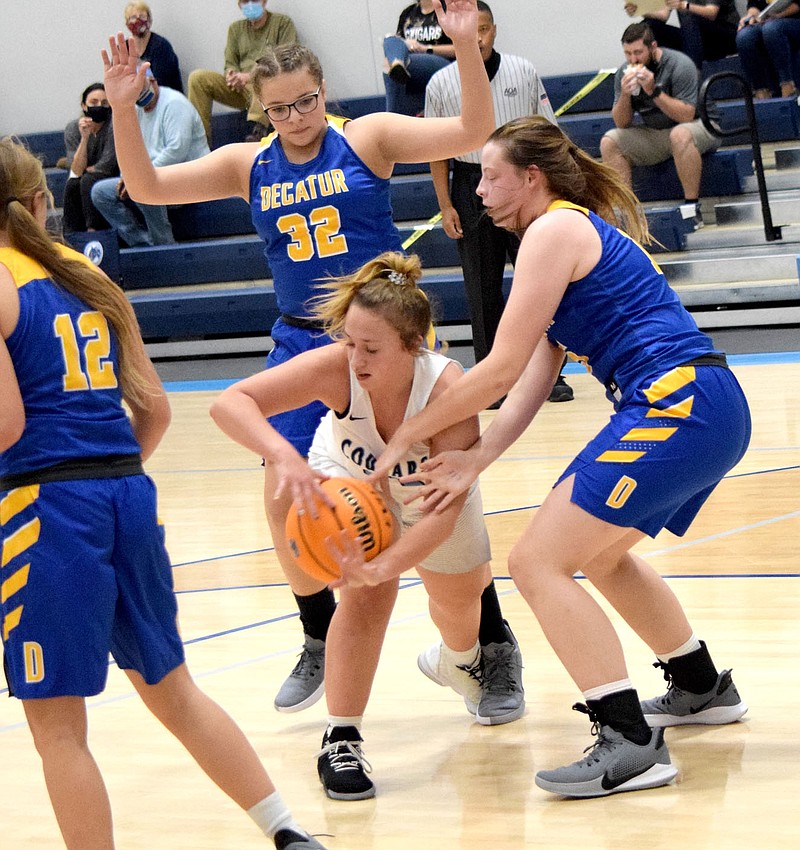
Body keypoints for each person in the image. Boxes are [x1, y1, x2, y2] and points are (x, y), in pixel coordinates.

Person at [101, 0, 522, 720]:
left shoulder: (368, 139)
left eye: (307, 101)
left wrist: (463, 54)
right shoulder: (249, 162)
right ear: (258, 109)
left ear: (324, 93)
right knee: (280, 497)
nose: (296, 117)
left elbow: (472, 130)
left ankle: (489, 637)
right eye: (280, 108)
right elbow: (146, 188)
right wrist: (120, 109)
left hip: (385, 342)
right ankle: (317, 633)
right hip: (303, 343)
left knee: (434, 498)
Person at [362, 115, 750, 798]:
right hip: (702, 404)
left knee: (535, 561)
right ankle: (699, 685)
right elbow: (530, 383)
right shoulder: (557, 238)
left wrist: (402, 434)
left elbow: (496, 370)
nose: (477, 190)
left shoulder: (553, 231)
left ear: (532, 178)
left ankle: (630, 741)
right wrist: (474, 459)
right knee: (598, 555)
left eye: (489, 176)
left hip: (678, 404)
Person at [0, 136, 326, 850]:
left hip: (46, 509)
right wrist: (104, 469)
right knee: (173, 688)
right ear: (38, 202)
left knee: (56, 725)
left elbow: (6, 423)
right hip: (125, 490)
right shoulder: (89, 278)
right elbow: (155, 411)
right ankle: (286, 830)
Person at [211, 251, 525, 801]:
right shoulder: (337, 368)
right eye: (349, 342)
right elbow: (230, 403)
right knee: (364, 599)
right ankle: (342, 737)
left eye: (371, 348)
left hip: (430, 497)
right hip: (351, 482)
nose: (354, 359)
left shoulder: (447, 390)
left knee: (457, 605)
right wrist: (281, 455)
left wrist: (388, 563)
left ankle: (463, 660)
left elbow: (441, 512)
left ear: (414, 344)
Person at [424, 0, 573, 402]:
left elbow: (548, 131)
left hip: (524, 179)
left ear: (493, 30)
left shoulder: (522, 71)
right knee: (481, 287)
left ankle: (552, 375)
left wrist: (550, 192)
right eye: (472, 30)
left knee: (541, 282)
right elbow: (437, 153)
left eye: (484, 28)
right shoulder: (440, 84)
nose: (478, 37)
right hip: (470, 184)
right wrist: (446, 205)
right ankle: (493, 384)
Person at [600, 22, 721, 231]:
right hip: (658, 132)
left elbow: (686, 115)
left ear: (653, 47)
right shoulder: (623, 72)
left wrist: (653, 91)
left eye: (638, 52)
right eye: (628, 53)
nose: (633, 59)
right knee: (610, 141)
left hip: (700, 125)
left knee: (679, 134)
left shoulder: (679, 64)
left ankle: (692, 209)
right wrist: (625, 95)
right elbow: (622, 123)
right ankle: (628, 215)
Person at [91, 68, 209, 247]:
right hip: (153, 176)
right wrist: (127, 177)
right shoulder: (134, 109)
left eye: (141, 89)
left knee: (145, 186)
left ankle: (165, 245)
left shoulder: (175, 104)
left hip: (187, 176)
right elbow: (128, 149)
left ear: (153, 82)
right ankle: (141, 243)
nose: (138, 95)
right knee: (99, 192)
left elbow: (177, 151)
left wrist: (140, 176)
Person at [187, 0, 298, 144]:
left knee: (264, 80)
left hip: (271, 86)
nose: (250, 5)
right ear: (239, 4)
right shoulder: (235, 29)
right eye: (245, 1)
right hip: (240, 89)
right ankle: (199, 144)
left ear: (264, 1)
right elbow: (230, 63)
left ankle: (256, 132)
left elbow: (286, 61)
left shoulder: (282, 23)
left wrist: (250, 76)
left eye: (255, 0)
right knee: (198, 78)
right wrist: (232, 77)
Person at [61, 82, 118, 235]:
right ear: (84, 105)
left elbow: (107, 165)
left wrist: (90, 169)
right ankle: (70, 235)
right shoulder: (73, 128)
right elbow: (76, 170)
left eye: (104, 103)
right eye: (94, 102)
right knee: (73, 184)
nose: (99, 106)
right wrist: (84, 138)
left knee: (87, 180)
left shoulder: (114, 125)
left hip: (113, 175)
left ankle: (93, 231)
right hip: (86, 177)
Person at [384, 1, 456, 115]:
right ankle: (397, 64)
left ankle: (391, 119)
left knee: (396, 65)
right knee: (389, 41)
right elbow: (399, 42)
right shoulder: (408, 13)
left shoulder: (446, 10)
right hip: (412, 63)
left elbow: (459, 47)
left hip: (442, 63)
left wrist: (425, 48)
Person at [624, 0, 739, 69]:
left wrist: (684, 5)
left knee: (689, 15)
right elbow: (663, 16)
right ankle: (650, 76)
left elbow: (712, 13)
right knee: (650, 26)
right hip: (695, 39)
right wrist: (639, 10)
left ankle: (693, 74)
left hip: (724, 37)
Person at [736, 2, 800, 99]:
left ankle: (788, 86)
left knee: (771, 29)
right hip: (768, 21)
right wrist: (751, 16)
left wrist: (779, 15)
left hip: (794, 19)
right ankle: (761, 91)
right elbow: (754, 4)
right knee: (744, 37)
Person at [124, 2, 183, 93]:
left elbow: (161, 83)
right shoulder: (123, 49)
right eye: (133, 18)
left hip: (163, 100)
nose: (138, 21)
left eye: (142, 16)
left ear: (150, 20)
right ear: (127, 23)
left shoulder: (161, 46)